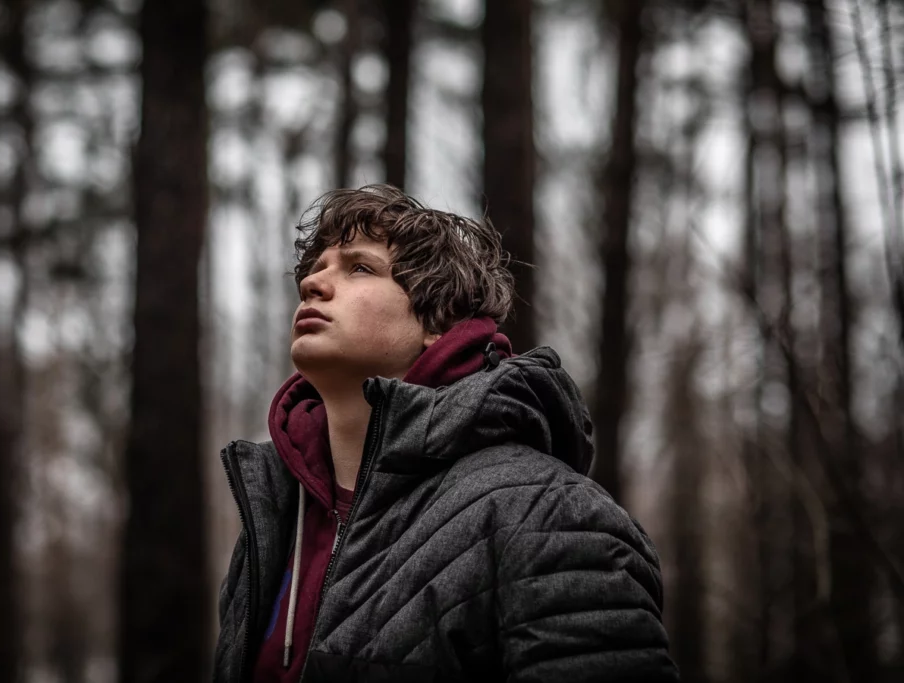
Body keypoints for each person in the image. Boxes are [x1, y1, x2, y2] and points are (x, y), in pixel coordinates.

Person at [212, 184, 679, 682]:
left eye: (360, 268)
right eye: (315, 270)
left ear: (442, 320)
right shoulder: (279, 520)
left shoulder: (548, 515)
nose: (313, 284)